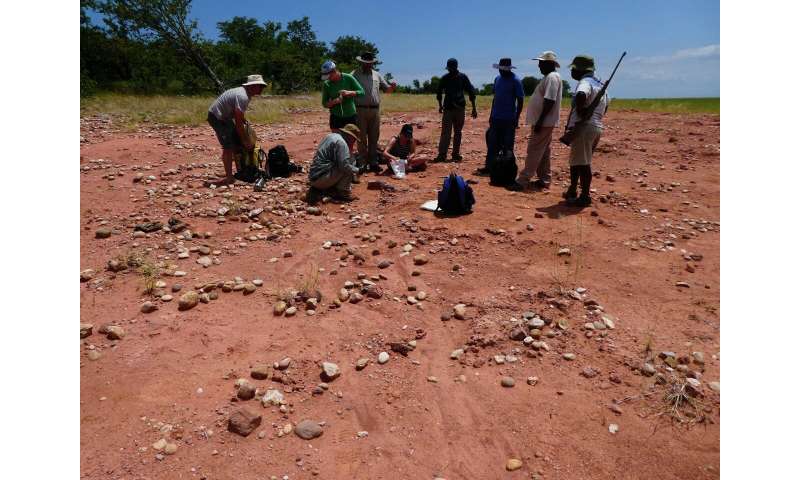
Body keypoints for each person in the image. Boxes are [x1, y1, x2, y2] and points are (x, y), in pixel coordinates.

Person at [508, 51, 563, 191]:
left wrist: (540, 121)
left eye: (541, 63)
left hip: (543, 122)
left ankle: (523, 180)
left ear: (549, 64)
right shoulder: (550, 77)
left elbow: (550, 100)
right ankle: (544, 179)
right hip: (544, 122)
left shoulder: (552, 77)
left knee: (534, 150)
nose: (539, 65)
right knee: (543, 151)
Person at [563, 55, 608, 207]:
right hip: (595, 126)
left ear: (579, 70)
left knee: (583, 163)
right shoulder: (600, 85)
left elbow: (581, 95)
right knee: (577, 160)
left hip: (584, 127)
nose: (572, 72)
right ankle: (573, 189)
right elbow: (605, 107)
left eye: (573, 69)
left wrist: (582, 113)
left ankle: (584, 196)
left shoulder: (585, 82)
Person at [206, 74, 267, 186]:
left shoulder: (244, 93)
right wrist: (245, 140)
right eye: (260, 86)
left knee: (236, 141)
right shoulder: (243, 96)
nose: (262, 89)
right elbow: (238, 124)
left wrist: (244, 122)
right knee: (228, 146)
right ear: (253, 86)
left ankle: (241, 170)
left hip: (225, 117)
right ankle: (229, 178)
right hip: (217, 117)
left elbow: (237, 114)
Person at [476, 58, 524, 176]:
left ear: (509, 69)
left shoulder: (516, 80)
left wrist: (516, 118)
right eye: (500, 69)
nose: (501, 71)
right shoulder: (497, 79)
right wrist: (491, 114)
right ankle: (490, 167)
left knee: (508, 146)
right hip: (496, 117)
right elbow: (495, 98)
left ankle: (508, 171)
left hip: (509, 118)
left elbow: (520, 100)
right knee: (492, 143)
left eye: (504, 69)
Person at [351, 51, 397, 172]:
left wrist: (392, 88)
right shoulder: (354, 74)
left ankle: (373, 162)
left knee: (374, 137)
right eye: (365, 63)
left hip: (375, 110)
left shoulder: (377, 75)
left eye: (370, 63)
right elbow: (346, 84)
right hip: (360, 109)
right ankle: (362, 163)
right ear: (361, 62)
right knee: (361, 137)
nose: (368, 65)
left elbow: (387, 90)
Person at [434, 58, 477, 163]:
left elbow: (471, 92)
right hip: (448, 109)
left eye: (450, 68)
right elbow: (439, 92)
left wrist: (474, 108)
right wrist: (440, 106)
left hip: (459, 109)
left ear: (455, 67)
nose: (449, 70)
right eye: (449, 68)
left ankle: (455, 154)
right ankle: (442, 154)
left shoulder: (462, 77)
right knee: (446, 133)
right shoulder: (445, 78)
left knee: (457, 132)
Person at [307, 123, 361, 204]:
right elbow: (344, 166)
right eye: (354, 139)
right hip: (321, 180)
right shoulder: (342, 143)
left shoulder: (330, 136)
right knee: (350, 165)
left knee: (343, 163)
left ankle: (331, 187)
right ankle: (343, 193)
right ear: (350, 136)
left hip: (313, 176)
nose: (354, 141)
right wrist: (358, 170)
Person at [321, 60, 365, 131]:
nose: (328, 78)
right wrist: (334, 102)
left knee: (351, 139)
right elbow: (324, 104)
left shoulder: (348, 78)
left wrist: (349, 93)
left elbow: (362, 92)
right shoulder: (327, 84)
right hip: (335, 117)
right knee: (337, 140)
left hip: (351, 116)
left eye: (329, 76)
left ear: (334, 71)